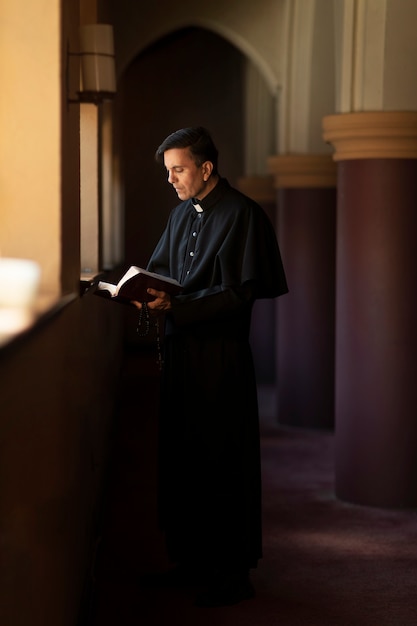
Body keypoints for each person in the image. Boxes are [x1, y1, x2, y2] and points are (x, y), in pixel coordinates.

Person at [133, 126, 288, 607]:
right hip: (182, 352)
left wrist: (176, 309)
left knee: (223, 461)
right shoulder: (181, 215)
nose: (172, 180)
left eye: (178, 170)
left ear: (206, 168)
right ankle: (192, 561)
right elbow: (161, 272)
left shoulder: (243, 214)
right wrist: (140, 293)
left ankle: (232, 573)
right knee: (184, 456)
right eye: (168, 172)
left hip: (220, 358)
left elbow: (241, 294)